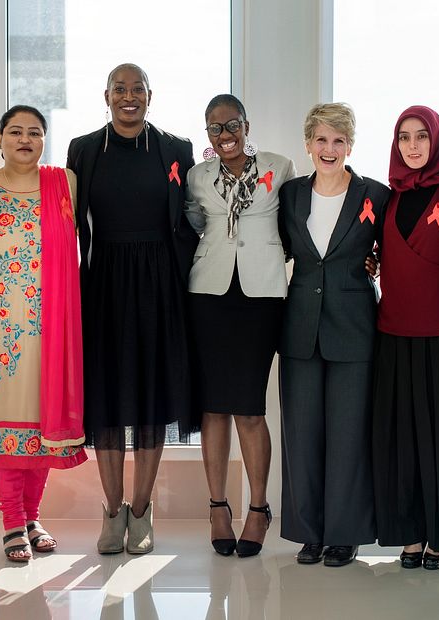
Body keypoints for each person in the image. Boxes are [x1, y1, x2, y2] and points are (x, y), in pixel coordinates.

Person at [66, 63, 197, 555]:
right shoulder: (83, 149)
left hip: (161, 285)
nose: (128, 96)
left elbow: (188, 220)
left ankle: (141, 513)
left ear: (150, 95)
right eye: (119, 89)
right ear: (106, 95)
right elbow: (72, 226)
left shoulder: (176, 149)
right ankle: (111, 509)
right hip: (104, 283)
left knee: (150, 398)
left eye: (136, 88)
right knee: (107, 400)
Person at [0, 105, 87, 562]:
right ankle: (11, 521)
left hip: (53, 325)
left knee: (43, 423)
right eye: (15, 131)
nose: (24, 139)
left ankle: (32, 516)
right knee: (5, 422)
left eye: (35, 132)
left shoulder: (64, 183)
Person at [277, 102, 390, 567]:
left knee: (348, 436)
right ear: (307, 144)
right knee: (301, 434)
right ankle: (310, 532)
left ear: (351, 145)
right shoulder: (288, 195)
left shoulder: (375, 195)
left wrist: (379, 265)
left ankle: (344, 533)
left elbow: (396, 251)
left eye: (339, 140)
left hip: (355, 329)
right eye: (321, 140)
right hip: (300, 327)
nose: (330, 149)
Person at [184, 94, 295, 557]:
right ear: (207, 134)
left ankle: (259, 508)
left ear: (247, 126)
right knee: (213, 407)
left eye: (232, 126)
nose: (225, 135)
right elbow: (193, 222)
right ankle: (216, 507)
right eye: (215, 129)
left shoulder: (280, 166)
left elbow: (294, 224)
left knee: (249, 408)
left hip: (261, 295)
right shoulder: (198, 175)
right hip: (208, 294)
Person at [370, 105, 439, 570]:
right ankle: (409, 534)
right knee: (401, 439)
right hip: (393, 331)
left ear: (437, 141)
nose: (412, 146)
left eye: (421, 137)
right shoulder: (387, 197)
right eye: (403, 137)